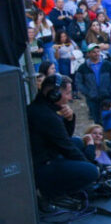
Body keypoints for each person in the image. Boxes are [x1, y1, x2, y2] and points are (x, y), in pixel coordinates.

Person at [26, 74, 100, 202]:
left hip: (45, 154)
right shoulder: (47, 116)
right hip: (41, 167)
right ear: (54, 94)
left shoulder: (41, 107)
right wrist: (92, 168)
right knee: (91, 172)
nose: (70, 97)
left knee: (77, 142)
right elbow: (67, 148)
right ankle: (50, 194)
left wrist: (70, 119)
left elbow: (64, 137)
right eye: (67, 93)